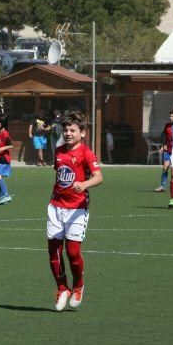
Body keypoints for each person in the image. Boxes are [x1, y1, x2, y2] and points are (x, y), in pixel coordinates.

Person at [47, 112, 103, 312]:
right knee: (54, 250)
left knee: (72, 252)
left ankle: (78, 284)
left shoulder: (87, 153)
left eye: (73, 130)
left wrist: (84, 184)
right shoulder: (59, 151)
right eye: (66, 130)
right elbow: (60, 174)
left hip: (77, 208)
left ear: (83, 133)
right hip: (56, 206)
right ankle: (62, 288)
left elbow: (98, 177)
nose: (68, 133)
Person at [0, 115, 13, 205]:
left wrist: (0, 149)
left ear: (2, 123)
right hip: (0, 158)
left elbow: (10, 145)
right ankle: (1, 198)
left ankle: (6, 195)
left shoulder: (5, 133)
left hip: (3, 158)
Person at [154, 110, 173, 192]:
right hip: (168, 150)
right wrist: (163, 146)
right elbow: (164, 136)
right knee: (165, 167)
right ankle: (162, 186)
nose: (171, 118)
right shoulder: (167, 126)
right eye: (170, 116)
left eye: (172, 116)